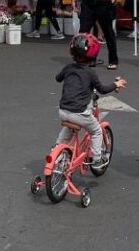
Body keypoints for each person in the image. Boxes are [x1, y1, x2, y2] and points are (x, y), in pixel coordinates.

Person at [54, 33, 126, 169]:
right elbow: (102, 89)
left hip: (63, 111)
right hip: (79, 113)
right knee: (97, 131)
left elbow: (58, 78)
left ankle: (57, 148)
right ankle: (97, 158)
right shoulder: (90, 73)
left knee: (70, 126)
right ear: (93, 54)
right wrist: (116, 85)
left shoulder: (68, 67)